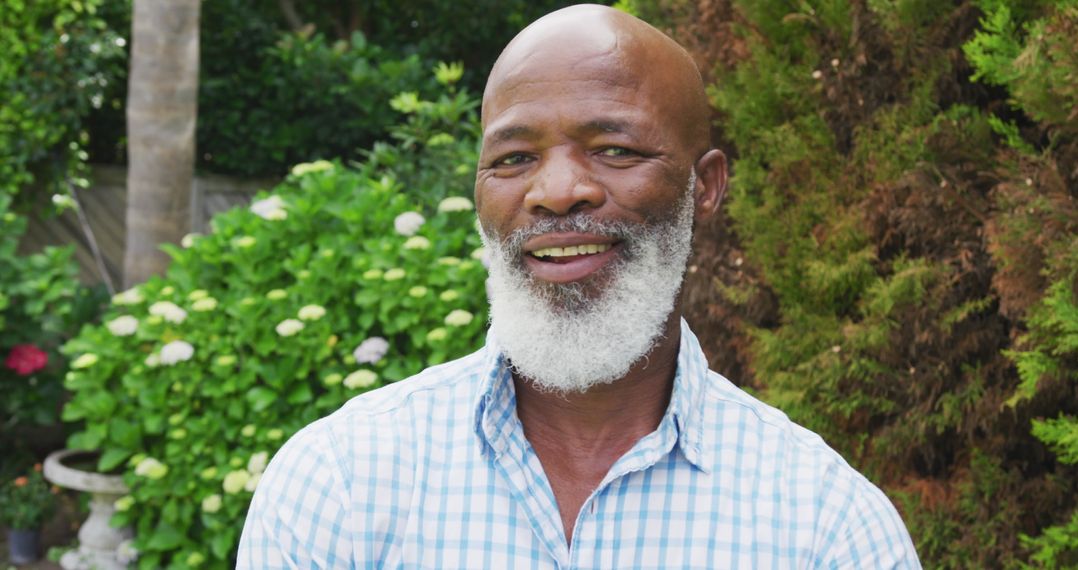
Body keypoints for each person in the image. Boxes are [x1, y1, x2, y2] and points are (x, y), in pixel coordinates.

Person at [238, 5, 920, 568]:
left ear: (704, 187)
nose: (557, 192)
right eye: (513, 158)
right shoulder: (339, 487)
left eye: (615, 149)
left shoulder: (828, 529)